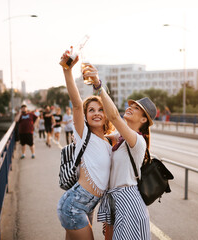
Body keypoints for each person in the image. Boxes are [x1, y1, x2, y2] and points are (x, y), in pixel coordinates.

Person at [85, 64, 156, 239]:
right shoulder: (118, 137)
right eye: (130, 105)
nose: (130, 107)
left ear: (143, 119)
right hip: (113, 199)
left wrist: (98, 85)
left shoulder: (137, 140)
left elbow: (114, 116)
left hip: (129, 201)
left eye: (137, 108)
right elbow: (97, 133)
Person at [57, 51, 114, 240]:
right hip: (74, 206)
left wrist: (99, 84)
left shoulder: (108, 142)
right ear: (86, 116)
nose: (96, 113)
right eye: (91, 110)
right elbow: (76, 105)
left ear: (106, 115)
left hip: (87, 207)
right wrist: (68, 70)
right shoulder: (84, 134)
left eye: (100, 110)